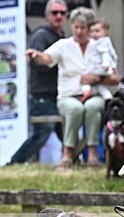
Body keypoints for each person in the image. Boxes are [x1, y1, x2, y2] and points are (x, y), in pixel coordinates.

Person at [26, 7, 118, 170]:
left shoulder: (100, 46)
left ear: (89, 28)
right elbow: (46, 58)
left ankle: (92, 154)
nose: (79, 31)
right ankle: (68, 154)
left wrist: (98, 78)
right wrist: (36, 55)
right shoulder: (63, 45)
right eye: (76, 27)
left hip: (93, 94)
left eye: (83, 28)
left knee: (92, 107)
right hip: (67, 96)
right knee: (75, 109)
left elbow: (115, 77)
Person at [7, 0, 67, 165]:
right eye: (55, 13)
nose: (59, 16)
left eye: (62, 13)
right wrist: (55, 63)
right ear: (47, 16)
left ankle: (72, 162)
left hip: (58, 95)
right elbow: (34, 63)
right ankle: (14, 164)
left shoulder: (62, 38)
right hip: (42, 96)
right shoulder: (41, 35)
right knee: (40, 135)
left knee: (66, 134)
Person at [80, 18, 118, 102]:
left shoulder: (103, 43)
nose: (94, 34)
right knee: (97, 86)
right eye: (92, 31)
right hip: (94, 70)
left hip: (99, 69)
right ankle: (105, 97)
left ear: (106, 32)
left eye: (97, 31)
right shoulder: (92, 44)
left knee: (90, 82)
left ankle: (88, 92)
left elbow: (116, 78)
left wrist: (105, 64)